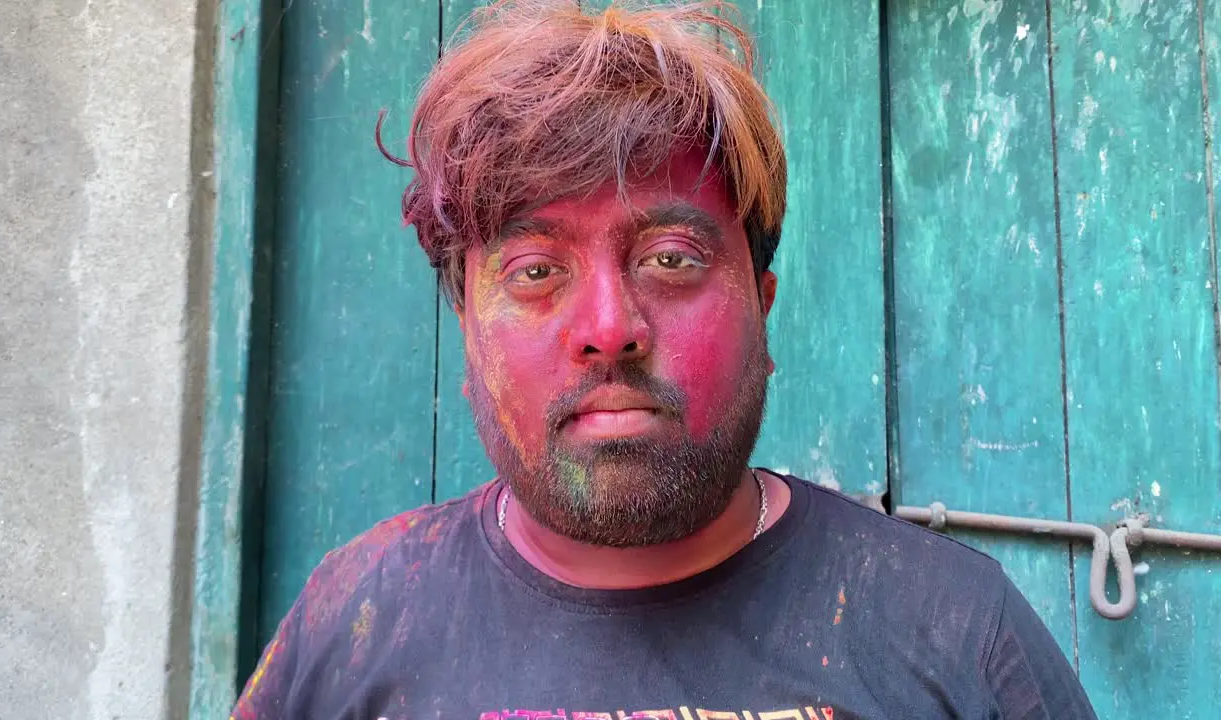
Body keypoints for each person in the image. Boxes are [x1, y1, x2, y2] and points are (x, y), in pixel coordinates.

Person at [230, 2, 1098, 718]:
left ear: (762, 305)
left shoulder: (958, 636)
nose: (609, 328)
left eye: (672, 259)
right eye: (536, 271)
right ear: (467, 330)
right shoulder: (353, 621)